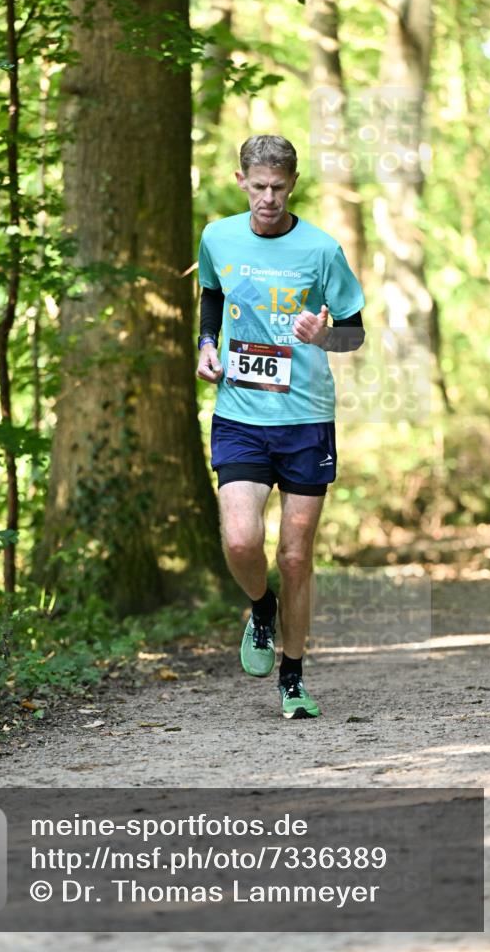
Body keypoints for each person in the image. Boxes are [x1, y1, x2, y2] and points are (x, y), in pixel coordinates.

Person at [196, 134, 365, 719]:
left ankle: (292, 677)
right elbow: (212, 295)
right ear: (241, 179)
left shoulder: (321, 250)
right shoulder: (218, 236)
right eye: (258, 185)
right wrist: (207, 344)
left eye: (279, 187)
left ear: (293, 184)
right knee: (242, 541)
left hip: (306, 420)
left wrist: (325, 336)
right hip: (240, 415)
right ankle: (260, 607)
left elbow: (355, 330)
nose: (268, 197)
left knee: (295, 555)